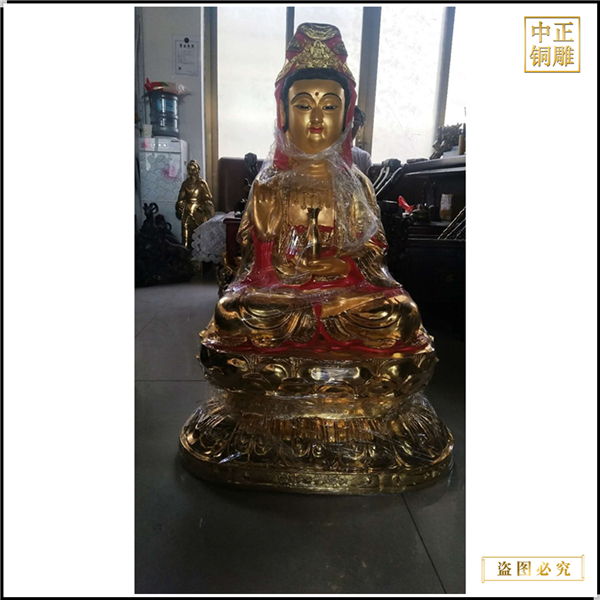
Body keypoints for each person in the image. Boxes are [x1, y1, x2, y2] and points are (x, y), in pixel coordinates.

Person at [175, 159, 215, 249]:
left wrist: (203, 206)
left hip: (199, 209)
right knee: (185, 226)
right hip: (187, 208)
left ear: (198, 170)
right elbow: (181, 198)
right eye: (190, 169)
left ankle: (200, 248)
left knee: (199, 228)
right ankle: (185, 247)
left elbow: (209, 197)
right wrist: (180, 203)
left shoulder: (202, 183)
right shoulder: (185, 184)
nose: (192, 172)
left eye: (194, 169)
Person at [351, 106, 372, 175]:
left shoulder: (364, 157)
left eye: (356, 121)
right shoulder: (327, 153)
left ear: (360, 128)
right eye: (349, 120)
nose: (351, 125)